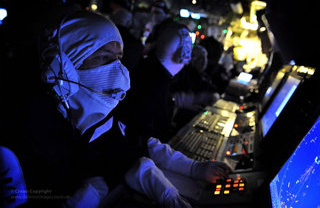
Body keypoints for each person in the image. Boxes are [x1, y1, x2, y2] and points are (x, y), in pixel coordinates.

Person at [5, 11, 230, 208]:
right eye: (104, 58)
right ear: (62, 67)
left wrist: (191, 171)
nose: (119, 72)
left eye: (118, 59)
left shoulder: (94, 114)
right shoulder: (15, 139)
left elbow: (133, 148)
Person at [171, 45, 220, 128]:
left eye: (205, 58)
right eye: (200, 58)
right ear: (193, 59)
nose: (204, 61)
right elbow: (178, 98)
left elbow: (213, 91)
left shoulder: (203, 76)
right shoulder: (184, 74)